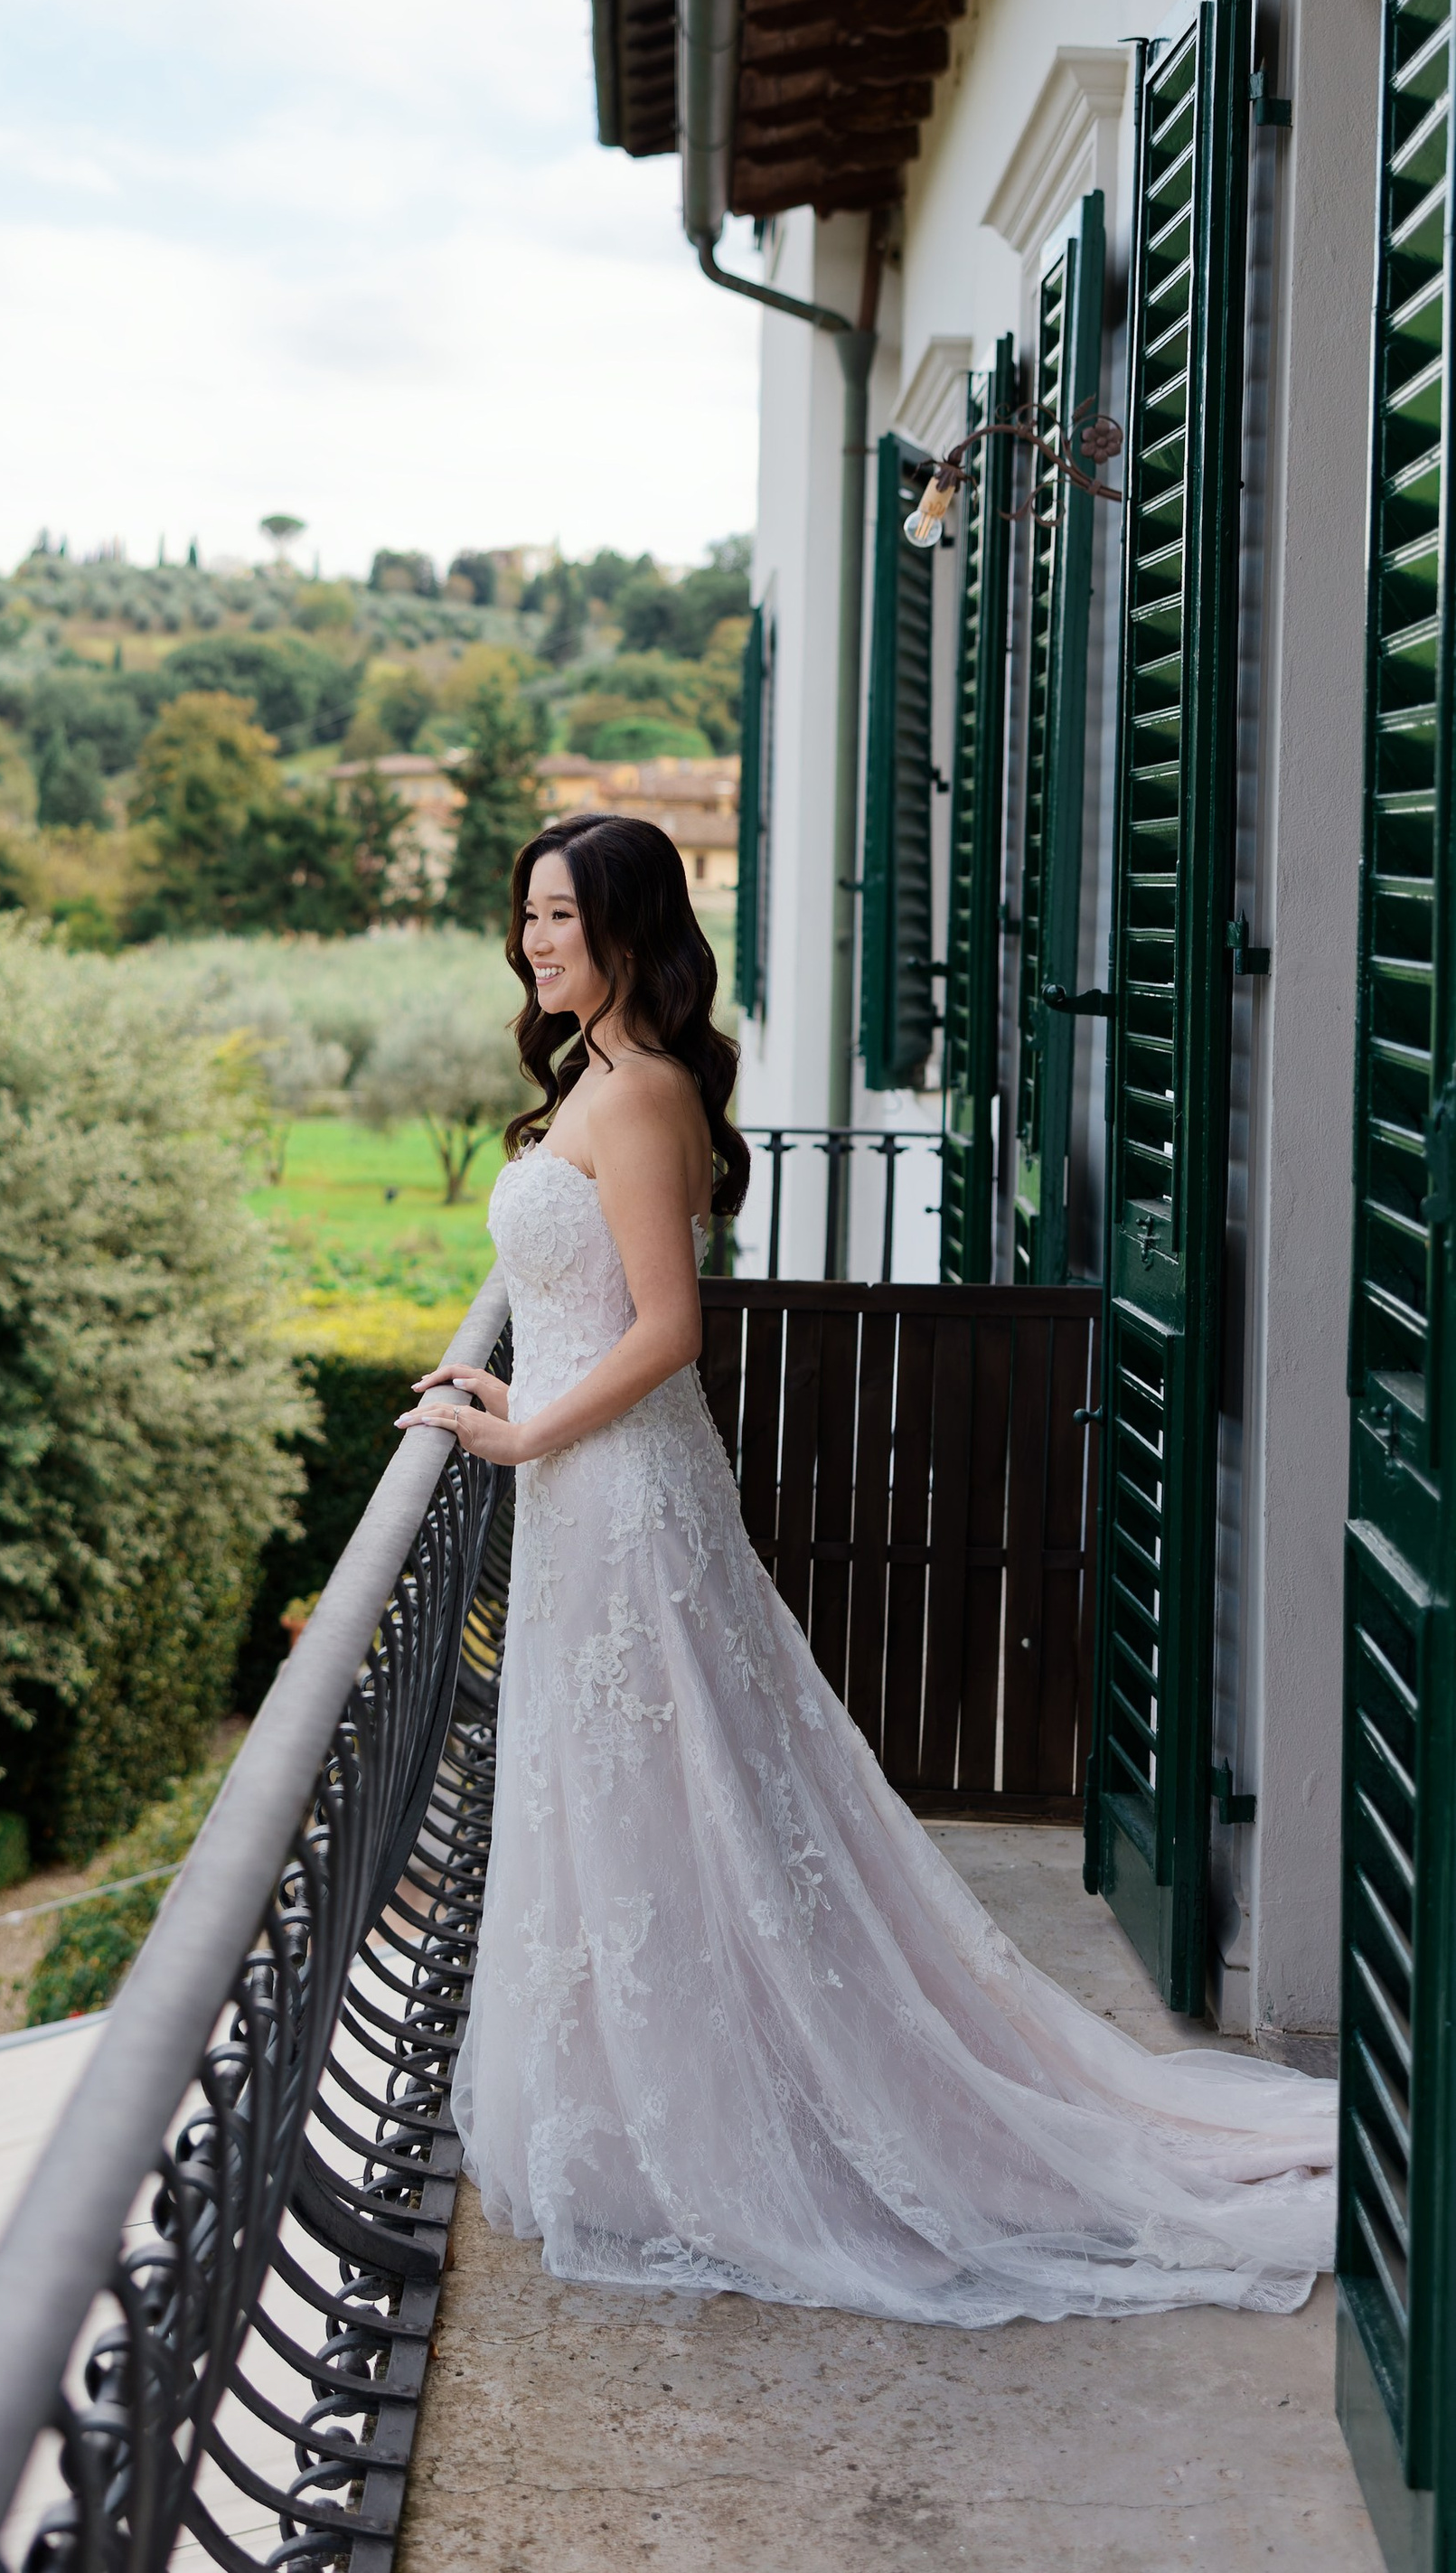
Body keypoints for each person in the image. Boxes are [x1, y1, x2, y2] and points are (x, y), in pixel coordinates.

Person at [395, 811, 1333, 2323]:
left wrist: (523, 1439)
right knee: (632, 1807)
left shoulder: (636, 1098)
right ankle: (650, 2115)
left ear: (626, 928)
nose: (532, 941)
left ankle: (749, 2129)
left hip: (626, 1501)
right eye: (527, 917)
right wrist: (513, 1398)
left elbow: (667, 1330)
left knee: (676, 1807)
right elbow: (584, 1326)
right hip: (587, 1481)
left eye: (557, 915)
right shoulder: (601, 1077)